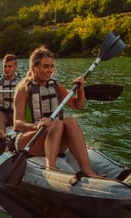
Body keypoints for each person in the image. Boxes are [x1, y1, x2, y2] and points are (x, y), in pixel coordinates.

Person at [13, 46, 97, 176]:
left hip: (55, 140)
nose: (50, 70)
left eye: (51, 66)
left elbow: (78, 105)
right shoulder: (24, 88)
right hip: (31, 140)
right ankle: (50, 169)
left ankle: (87, 170)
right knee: (57, 124)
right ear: (34, 67)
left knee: (69, 121)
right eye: (45, 66)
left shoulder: (56, 86)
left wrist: (81, 89)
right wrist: (37, 126)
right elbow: (17, 124)